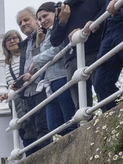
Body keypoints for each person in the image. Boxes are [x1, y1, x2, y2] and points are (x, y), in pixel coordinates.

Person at [33, 2, 78, 137]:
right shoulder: (47, 34)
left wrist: (36, 59)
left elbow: (58, 48)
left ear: (55, 13)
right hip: (49, 83)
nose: (42, 21)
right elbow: (39, 64)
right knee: (53, 126)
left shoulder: (60, 28)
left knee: (70, 119)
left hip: (61, 77)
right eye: (39, 19)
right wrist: (38, 43)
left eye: (45, 16)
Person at [17, 6, 51, 150]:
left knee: (43, 124)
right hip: (28, 90)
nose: (23, 24)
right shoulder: (24, 44)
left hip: (41, 84)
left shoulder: (45, 32)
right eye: (20, 23)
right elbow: (25, 66)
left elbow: (45, 56)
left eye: (26, 20)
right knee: (35, 125)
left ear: (36, 19)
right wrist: (18, 82)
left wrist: (32, 74)